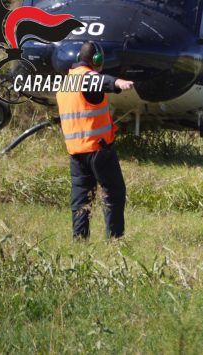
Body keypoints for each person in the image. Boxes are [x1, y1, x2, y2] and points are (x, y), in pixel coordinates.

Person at [56, 41, 134, 240]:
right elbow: (101, 81)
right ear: (96, 59)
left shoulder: (66, 82)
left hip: (76, 153)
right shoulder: (88, 77)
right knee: (114, 192)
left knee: (81, 199)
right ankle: (115, 239)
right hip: (98, 150)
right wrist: (118, 83)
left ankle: (80, 240)